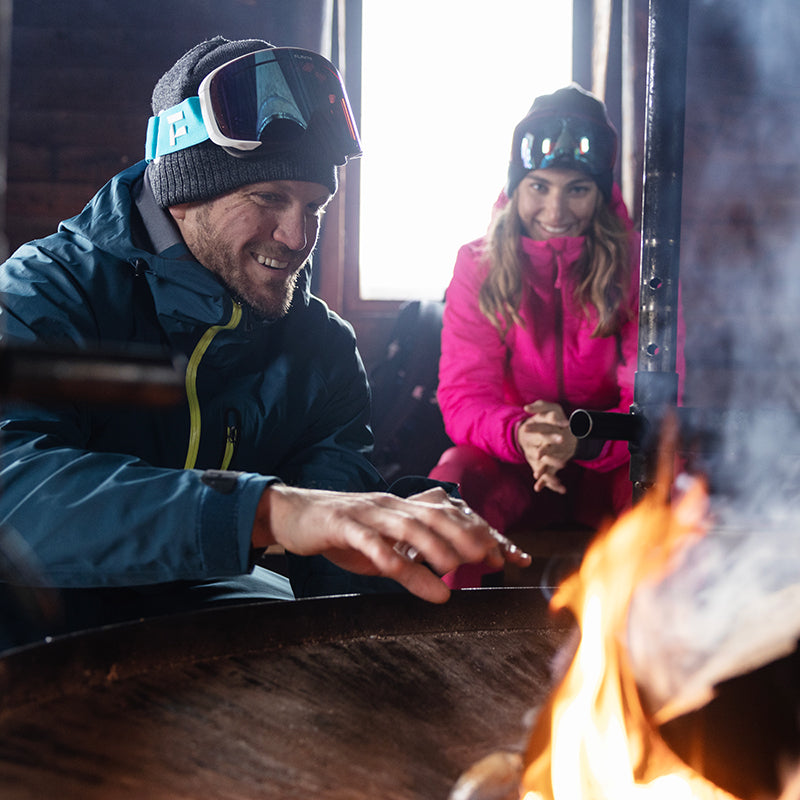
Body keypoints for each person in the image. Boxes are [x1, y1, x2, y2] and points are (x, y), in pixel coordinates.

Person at [0, 37, 530, 650]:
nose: (297, 234)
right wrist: (265, 511)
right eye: (268, 198)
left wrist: (394, 543)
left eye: (315, 204)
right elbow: (13, 489)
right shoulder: (45, 290)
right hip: (36, 619)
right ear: (184, 188)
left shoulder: (322, 348)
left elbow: (330, 556)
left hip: (196, 620)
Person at [430, 84, 642, 589]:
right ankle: (450, 647)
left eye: (577, 189)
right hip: (516, 459)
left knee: (667, 487)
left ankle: (656, 649)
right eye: (539, 186)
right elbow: (464, 395)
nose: (556, 211)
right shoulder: (476, 265)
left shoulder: (640, 268)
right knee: (452, 483)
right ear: (515, 186)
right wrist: (527, 434)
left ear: (603, 192)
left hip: (610, 462)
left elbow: (654, 401)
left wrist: (584, 440)